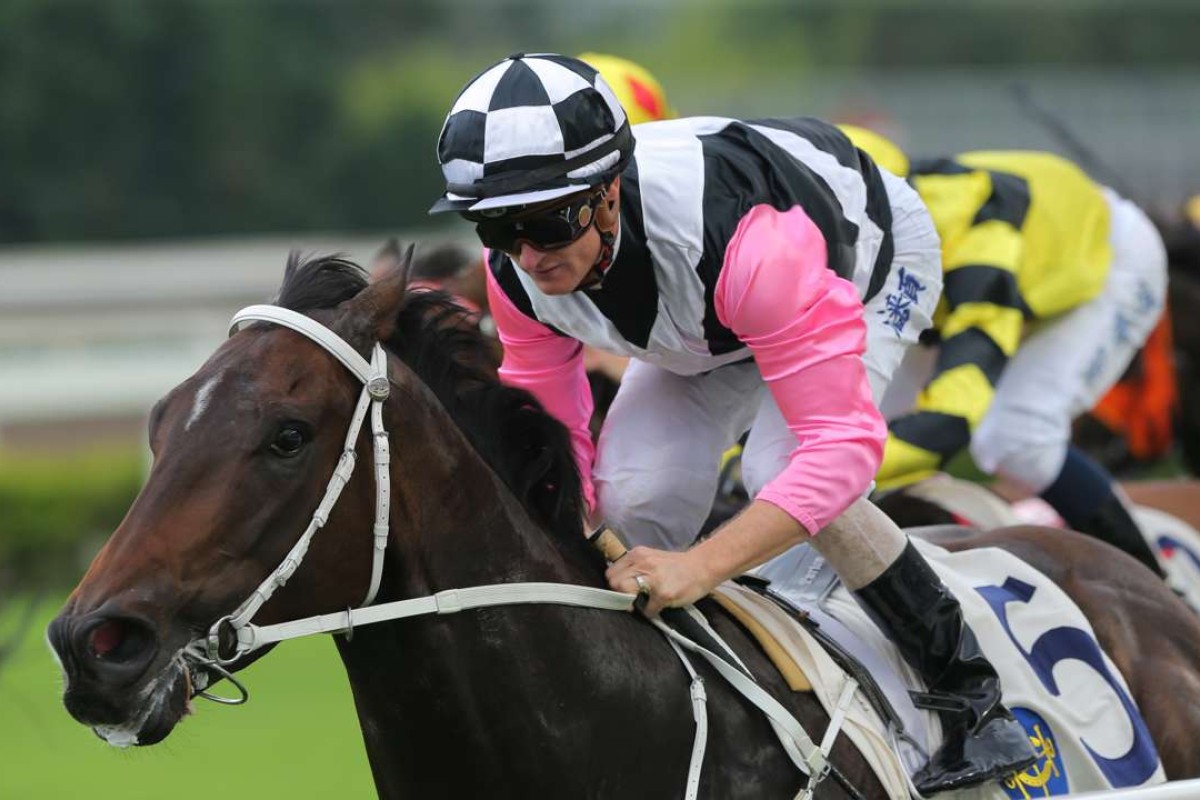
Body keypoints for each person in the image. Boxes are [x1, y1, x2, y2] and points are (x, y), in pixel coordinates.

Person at [429, 54, 1036, 792]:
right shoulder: (516, 275)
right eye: (495, 226)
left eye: (549, 221)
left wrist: (699, 566)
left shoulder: (753, 244)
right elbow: (554, 439)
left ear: (608, 194)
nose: (527, 253)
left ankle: (974, 696)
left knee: (782, 472)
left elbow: (841, 453)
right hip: (712, 314)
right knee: (630, 499)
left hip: (862, 264)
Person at [842, 130, 1169, 575]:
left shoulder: (979, 250)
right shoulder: (873, 229)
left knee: (1016, 439)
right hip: (989, 267)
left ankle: (1157, 587)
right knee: (856, 424)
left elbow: (951, 419)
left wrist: (819, 473)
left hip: (1104, 260)